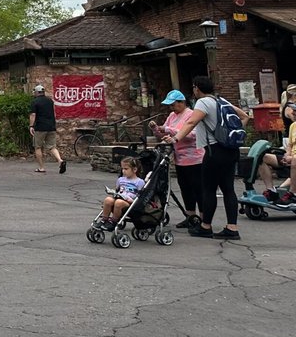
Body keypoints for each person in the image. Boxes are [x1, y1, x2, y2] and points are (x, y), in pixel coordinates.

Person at [168, 75, 243, 240]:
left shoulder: (202, 102)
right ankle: (232, 228)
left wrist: (175, 138)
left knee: (208, 189)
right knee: (228, 189)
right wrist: (229, 136)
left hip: (214, 150)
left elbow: (191, 122)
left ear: (197, 88)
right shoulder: (221, 100)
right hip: (230, 150)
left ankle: (205, 226)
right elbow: (244, 116)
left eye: (194, 88)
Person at [149, 90, 203, 227]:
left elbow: (193, 134)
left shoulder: (191, 115)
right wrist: (156, 129)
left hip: (195, 158)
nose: (171, 108)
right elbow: (164, 134)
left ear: (182, 102)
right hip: (180, 159)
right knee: (185, 188)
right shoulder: (172, 116)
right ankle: (190, 215)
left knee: (198, 188)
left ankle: (203, 217)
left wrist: (170, 130)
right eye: (170, 105)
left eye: (173, 105)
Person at [259, 97, 296, 195]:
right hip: (291, 157)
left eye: (295, 110)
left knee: (295, 160)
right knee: (263, 157)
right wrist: (287, 155)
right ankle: (271, 190)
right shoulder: (293, 126)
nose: (293, 113)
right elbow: (290, 145)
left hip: (295, 159)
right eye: (293, 110)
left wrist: (292, 157)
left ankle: (293, 193)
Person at [97, 156, 145, 229]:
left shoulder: (139, 182)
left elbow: (140, 196)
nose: (123, 171)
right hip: (120, 197)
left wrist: (131, 200)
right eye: (122, 168)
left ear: (134, 169)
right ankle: (104, 220)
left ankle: (113, 221)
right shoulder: (120, 180)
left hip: (130, 202)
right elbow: (118, 190)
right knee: (108, 200)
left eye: (126, 169)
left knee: (118, 202)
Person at [28, 84, 65, 174]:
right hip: (51, 127)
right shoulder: (50, 101)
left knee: (38, 147)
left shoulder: (35, 102)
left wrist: (31, 126)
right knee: (52, 146)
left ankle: (41, 167)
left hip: (40, 127)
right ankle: (60, 160)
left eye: (35, 92)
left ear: (37, 92)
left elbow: (33, 114)